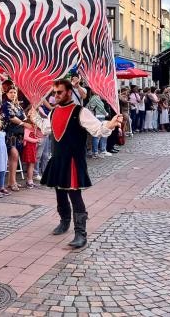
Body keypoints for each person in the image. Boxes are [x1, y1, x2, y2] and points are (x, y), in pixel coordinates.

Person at [32, 80, 122, 248]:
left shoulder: (81, 112)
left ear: (68, 92)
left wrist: (110, 123)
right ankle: (64, 221)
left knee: (74, 195)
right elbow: (46, 128)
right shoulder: (54, 112)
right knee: (59, 192)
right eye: (54, 93)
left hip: (73, 160)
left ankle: (80, 233)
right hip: (58, 158)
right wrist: (35, 116)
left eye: (59, 92)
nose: (55, 96)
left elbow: (97, 129)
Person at [0, 86, 31, 191]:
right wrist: (24, 123)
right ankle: (12, 182)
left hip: (19, 135)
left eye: (14, 92)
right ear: (7, 93)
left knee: (15, 158)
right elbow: (11, 117)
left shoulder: (17, 105)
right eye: (11, 92)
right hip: (9, 133)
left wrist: (29, 119)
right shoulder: (5, 104)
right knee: (14, 155)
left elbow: (24, 116)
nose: (13, 94)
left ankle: (11, 181)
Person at [86, 91, 110, 158]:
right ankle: (97, 152)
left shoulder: (93, 98)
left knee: (97, 135)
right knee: (98, 135)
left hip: (96, 117)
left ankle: (96, 151)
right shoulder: (96, 98)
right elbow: (101, 108)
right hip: (99, 117)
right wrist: (106, 114)